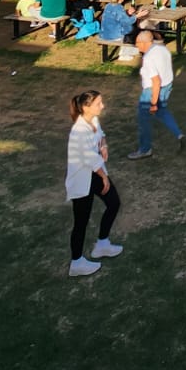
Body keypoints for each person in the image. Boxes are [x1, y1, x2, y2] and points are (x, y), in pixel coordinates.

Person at [65, 90, 123, 277]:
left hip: (95, 174)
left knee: (113, 203)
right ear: (86, 107)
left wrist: (104, 145)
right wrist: (104, 177)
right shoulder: (78, 131)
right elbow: (87, 158)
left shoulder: (94, 121)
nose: (102, 106)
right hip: (83, 179)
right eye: (98, 104)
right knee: (81, 222)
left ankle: (102, 244)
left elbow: (101, 135)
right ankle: (76, 263)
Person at [129, 31, 184, 158]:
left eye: (137, 43)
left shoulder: (148, 58)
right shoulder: (163, 49)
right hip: (167, 85)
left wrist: (153, 103)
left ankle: (145, 149)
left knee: (144, 120)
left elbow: (156, 81)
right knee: (162, 110)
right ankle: (179, 134)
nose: (136, 46)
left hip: (152, 90)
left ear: (144, 42)